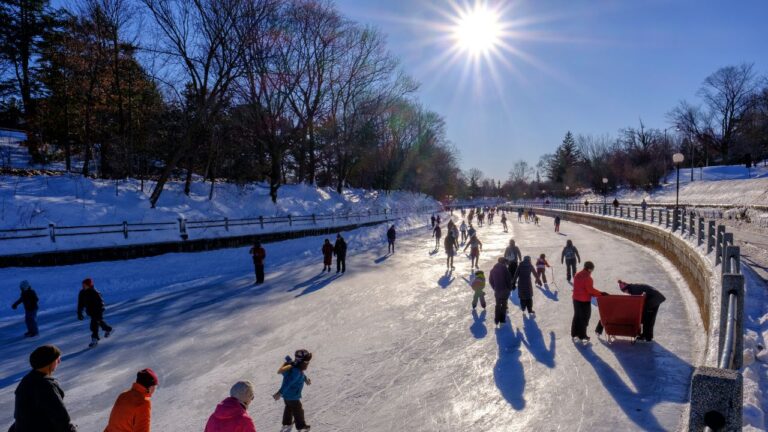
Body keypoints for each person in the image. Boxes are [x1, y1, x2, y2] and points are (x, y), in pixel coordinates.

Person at [12, 344, 77, 432]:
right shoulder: (46, 386)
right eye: (57, 359)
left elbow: (22, 417)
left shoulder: (27, 380)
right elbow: (60, 418)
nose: (59, 361)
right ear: (48, 362)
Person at [600, 280, 667, 342]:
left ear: (626, 289)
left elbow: (638, 302)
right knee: (648, 318)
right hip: (654, 298)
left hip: (653, 299)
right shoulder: (633, 288)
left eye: (624, 291)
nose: (626, 293)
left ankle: (647, 336)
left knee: (648, 318)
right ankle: (647, 336)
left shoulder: (634, 290)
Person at [274, 350, 313, 432]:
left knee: (289, 408)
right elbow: (288, 383)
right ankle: (301, 426)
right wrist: (280, 392)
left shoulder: (295, 368)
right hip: (292, 396)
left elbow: (302, 375)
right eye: (306, 362)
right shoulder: (296, 372)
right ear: (302, 362)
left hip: (287, 396)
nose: (307, 364)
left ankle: (286, 423)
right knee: (298, 410)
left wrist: (306, 380)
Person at [571, 262, 608, 343]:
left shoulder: (577, 274)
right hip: (584, 301)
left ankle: (574, 334)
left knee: (577, 316)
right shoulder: (588, 278)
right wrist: (601, 293)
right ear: (590, 269)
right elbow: (590, 290)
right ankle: (582, 336)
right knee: (584, 318)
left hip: (575, 299)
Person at [77, 278, 113, 348]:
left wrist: (99, 312)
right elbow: (80, 304)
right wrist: (79, 313)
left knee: (93, 325)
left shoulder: (95, 292)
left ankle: (94, 340)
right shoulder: (82, 293)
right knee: (99, 322)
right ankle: (108, 329)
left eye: (85, 285)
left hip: (98, 311)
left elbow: (101, 303)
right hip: (91, 312)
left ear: (89, 285)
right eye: (83, 285)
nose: (83, 286)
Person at [489, 257, 513, 326]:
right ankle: (502, 320)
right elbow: (508, 280)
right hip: (505, 290)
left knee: (498, 305)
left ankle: (497, 320)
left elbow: (491, 281)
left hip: (497, 291)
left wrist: (495, 287)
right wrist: (510, 288)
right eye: (506, 262)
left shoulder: (493, 270)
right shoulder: (505, 269)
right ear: (504, 262)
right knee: (504, 305)